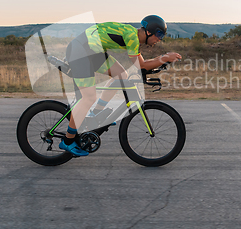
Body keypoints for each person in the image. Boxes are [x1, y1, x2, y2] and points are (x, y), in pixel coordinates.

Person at [48, 15, 181, 157]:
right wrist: (165, 58)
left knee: (121, 76)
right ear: (149, 31)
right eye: (159, 34)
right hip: (80, 52)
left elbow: (142, 65)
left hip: (93, 51)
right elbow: (141, 65)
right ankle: (68, 140)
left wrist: (161, 61)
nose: (160, 39)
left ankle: (96, 113)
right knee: (88, 98)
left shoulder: (133, 37)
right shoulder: (132, 37)